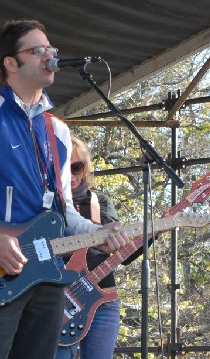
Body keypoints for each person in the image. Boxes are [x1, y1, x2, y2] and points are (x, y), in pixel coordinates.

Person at [0, 19, 129, 359]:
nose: (49, 57)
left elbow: (63, 212)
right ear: (11, 63)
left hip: (48, 274)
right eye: (38, 51)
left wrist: (99, 232)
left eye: (51, 50)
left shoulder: (58, 131)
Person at [55, 136, 142, 359]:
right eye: (64, 168)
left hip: (102, 298)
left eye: (76, 167)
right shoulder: (48, 204)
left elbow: (123, 254)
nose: (71, 175)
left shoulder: (100, 202)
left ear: (85, 169)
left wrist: (153, 233)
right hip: (59, 299)